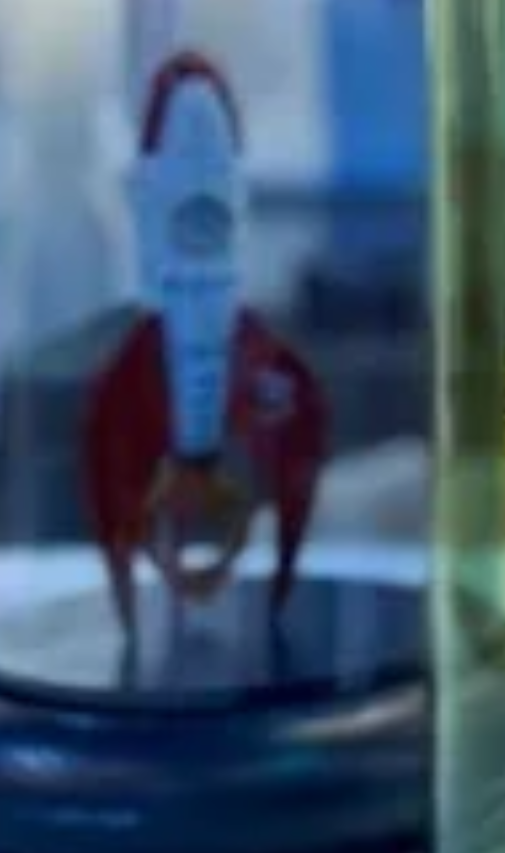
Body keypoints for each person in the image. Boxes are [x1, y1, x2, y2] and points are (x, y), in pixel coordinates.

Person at [81, 49, 328, 638]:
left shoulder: (264, 360)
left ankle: (274, 586)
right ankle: (129, 598)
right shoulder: (134, 370)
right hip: (167, 329)